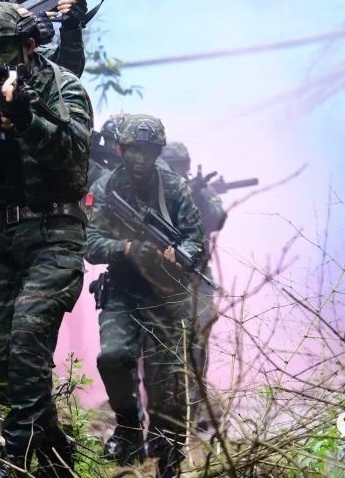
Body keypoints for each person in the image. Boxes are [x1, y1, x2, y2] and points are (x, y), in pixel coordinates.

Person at [0, 2, 93, 478]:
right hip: (0, 238)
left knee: (27, 338)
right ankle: (56, 458)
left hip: (55, 234)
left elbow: (74, 153)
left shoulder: (63, 86)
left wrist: (27, 119)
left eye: (3, 51)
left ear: (30, 46)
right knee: (8, 363)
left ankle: (14, 458)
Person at [84, 115, 205, 478]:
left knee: (167, 383)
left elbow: (195, 237)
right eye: (134, 150)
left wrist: (181, 253)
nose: (140, 159)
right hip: (122, 290)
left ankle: (168, 459)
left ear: (157, 153)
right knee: (113, 357)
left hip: (165, 295)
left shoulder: (174, 188)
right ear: (120, 149)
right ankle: (128, 428)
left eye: (148, 151)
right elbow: (90, 243)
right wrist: (127, 248)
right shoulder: (106, 187)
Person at [159, 141, 226, 431]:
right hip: (160, 277)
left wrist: (198, 194)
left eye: (180, 166)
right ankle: (162, 409)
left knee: (198, 341)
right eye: (172, 166)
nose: (176, 171)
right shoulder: (155, 190)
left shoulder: (199, 190)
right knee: (160, 343)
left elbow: (217, 220)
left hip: (197, 276)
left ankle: (196, 409)